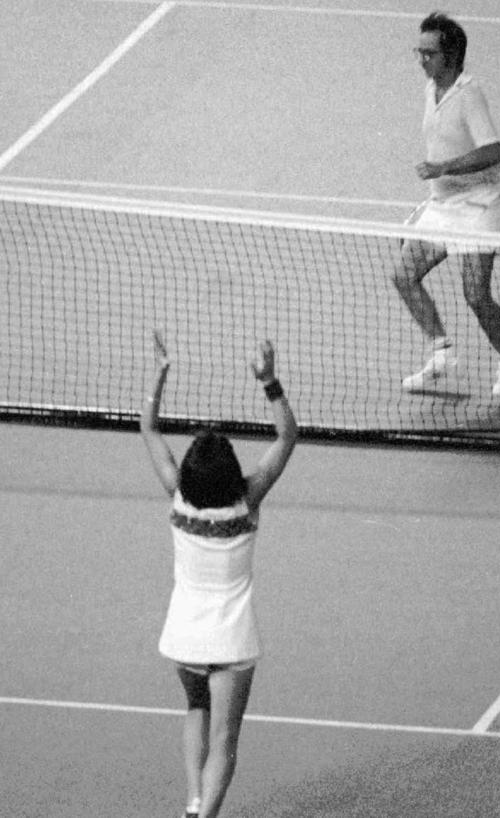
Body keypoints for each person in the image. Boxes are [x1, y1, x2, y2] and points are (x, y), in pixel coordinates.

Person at [141, 332, 297, 818]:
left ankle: (193, 800)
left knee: (196, 712)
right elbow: (287, 437)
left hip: (185, 635)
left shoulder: (176, 496)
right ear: (231, 471)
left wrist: (160, 374)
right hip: (229, 640)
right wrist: (269, 381)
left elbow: (149, 430)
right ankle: (204, 815)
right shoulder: (248, 500)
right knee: (226, 737)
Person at [392, 11, 500, 397]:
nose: (421, 59)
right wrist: (433, 193)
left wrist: (443, 167)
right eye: (418, 51)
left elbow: (493, 151)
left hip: (479, 205)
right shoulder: (431, 89)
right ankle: (441, 353)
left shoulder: (469, 94)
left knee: (476, 295)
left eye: (429, 53)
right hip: (442, 205)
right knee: (403, 275)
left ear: (449, 55)